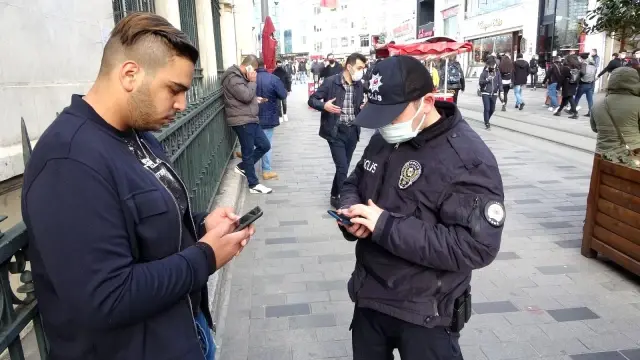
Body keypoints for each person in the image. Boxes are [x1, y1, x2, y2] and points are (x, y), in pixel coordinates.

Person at [20, 13, 255, 360]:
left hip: (185, 334)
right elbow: (105, 297)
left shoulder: (138, 135)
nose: (181, 104)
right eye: (174, 89)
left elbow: (146, 225)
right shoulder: (68, 161)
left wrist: (202, 223)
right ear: (130, 74)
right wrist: (205, 257)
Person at [335, 55, 504, 360]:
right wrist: (351, 211)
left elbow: (476, 247)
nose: (383, 125)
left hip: (426, 312)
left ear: (426, 102)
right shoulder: (385, 137)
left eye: (391, 115)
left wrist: (385, 225)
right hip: (370, 296)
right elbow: (354, 182)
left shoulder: (467, 158)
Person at [308, 53, 367, 209]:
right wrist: (324, 106)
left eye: (363, 68)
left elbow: (360, 104)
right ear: (349, 66)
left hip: (353, 131)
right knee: (342, 167)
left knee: (345, 166)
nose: (362, 71)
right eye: (359, 67)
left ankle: (335, 194)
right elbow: (312, 99)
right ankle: (345, 203)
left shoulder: (359, 84)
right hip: (335, 131)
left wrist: (364, 107)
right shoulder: (331, 82)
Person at [221, 55, 273, 194]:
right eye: (254, 70)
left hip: (249, 118)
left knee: (265, 145)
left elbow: (244, 97)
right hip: (242, 120)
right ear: (249, 66)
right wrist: (252, 82)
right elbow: (245, 96)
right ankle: (253, 184)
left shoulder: (239, 77)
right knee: (248, 151)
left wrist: (256, 99)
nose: (255, 73)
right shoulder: (233, 78)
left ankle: (244, 167)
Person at [590, 67, 640, 157]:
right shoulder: (638, 103)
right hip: (632, 155)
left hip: (603, 156)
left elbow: (594, 128)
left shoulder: (597, 104)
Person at [256, 58, 287, 181]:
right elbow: (283, 95)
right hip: (269, 116)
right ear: (265, 65)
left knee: (255, 141)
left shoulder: (249, 79)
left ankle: (250, 167)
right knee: (267, 143)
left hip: (252, 115)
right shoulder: (273, 78)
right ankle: (266, 170)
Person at [479, 56, 503, 129]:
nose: (492, 67)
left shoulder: (497, 72)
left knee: (492, 109)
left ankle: (487, 119)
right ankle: (487, 123)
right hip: (485, 92)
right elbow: (480, 82)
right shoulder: (484, 72)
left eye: (493, 65)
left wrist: (501, 91)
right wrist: (487, 80)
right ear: (487, 65)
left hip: (494, 93)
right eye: (490, 65)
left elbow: (500, 82)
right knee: (487, 108)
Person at [554, 54, 581, 119]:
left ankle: (575, 113)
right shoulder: (577, 67)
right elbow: (580, 75)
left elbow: (561, 78)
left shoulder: (565, 68)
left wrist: (558, 87)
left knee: (570, 98)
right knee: (565, 98)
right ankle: (559, 111)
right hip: (573, 84)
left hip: (567, 85)